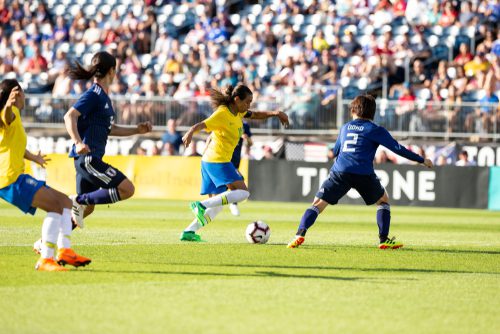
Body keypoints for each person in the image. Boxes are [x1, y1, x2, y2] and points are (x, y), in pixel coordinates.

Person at [287, 95, 433, 249]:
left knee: (317, 204)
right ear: (372, 113)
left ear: (353, 110)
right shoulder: (375, 129)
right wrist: (421, 160)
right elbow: (397, 148)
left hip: (340, 171)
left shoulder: (345, 127)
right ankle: (383, 239)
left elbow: (336, 151)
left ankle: (299, 234)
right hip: (364, 173)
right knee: (383, 200)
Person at [0, 79, 91, 271]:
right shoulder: (10, 113)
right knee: (55, 206)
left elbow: (13, 145)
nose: (25, 98)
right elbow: (6, 116)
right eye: (23, 94)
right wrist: (8, 105)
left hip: (17, 177)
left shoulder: (13, 117)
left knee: (65, 202)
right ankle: (46, 259)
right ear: (18, 94)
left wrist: (33, 157)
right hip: (9, 180)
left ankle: (65, 250)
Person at [180, 83, 289, 242]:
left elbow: (256, 115)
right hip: (217, 160)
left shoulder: (238, 112)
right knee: (244, 192)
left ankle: (189, 232)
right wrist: (190, 132)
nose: (248, 105)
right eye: (247, 102)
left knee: (216, 207)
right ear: (236, 99)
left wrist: (276, 113)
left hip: (212, 161)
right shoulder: (223, 113)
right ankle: (201, 205)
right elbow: (203, 124)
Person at [64, 51, 152, 227]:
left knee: (88, 208)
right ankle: (78, 200)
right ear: (112, 71)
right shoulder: (94, 94)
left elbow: (110, 129)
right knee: (127, 189)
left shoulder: (103, 98)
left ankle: (47, 241)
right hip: (88, 158)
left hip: (87, 159)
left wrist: (137, 130)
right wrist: (78, 142)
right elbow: (69, 116)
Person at [228, 120, 252, 216]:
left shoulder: (245, 125)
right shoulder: (229, 121)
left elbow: (250, 143)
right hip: (225, 158)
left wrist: (247, 139)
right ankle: (233, 204)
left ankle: (208, 205)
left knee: (230, 184)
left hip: (236, 159)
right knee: (239, 179)